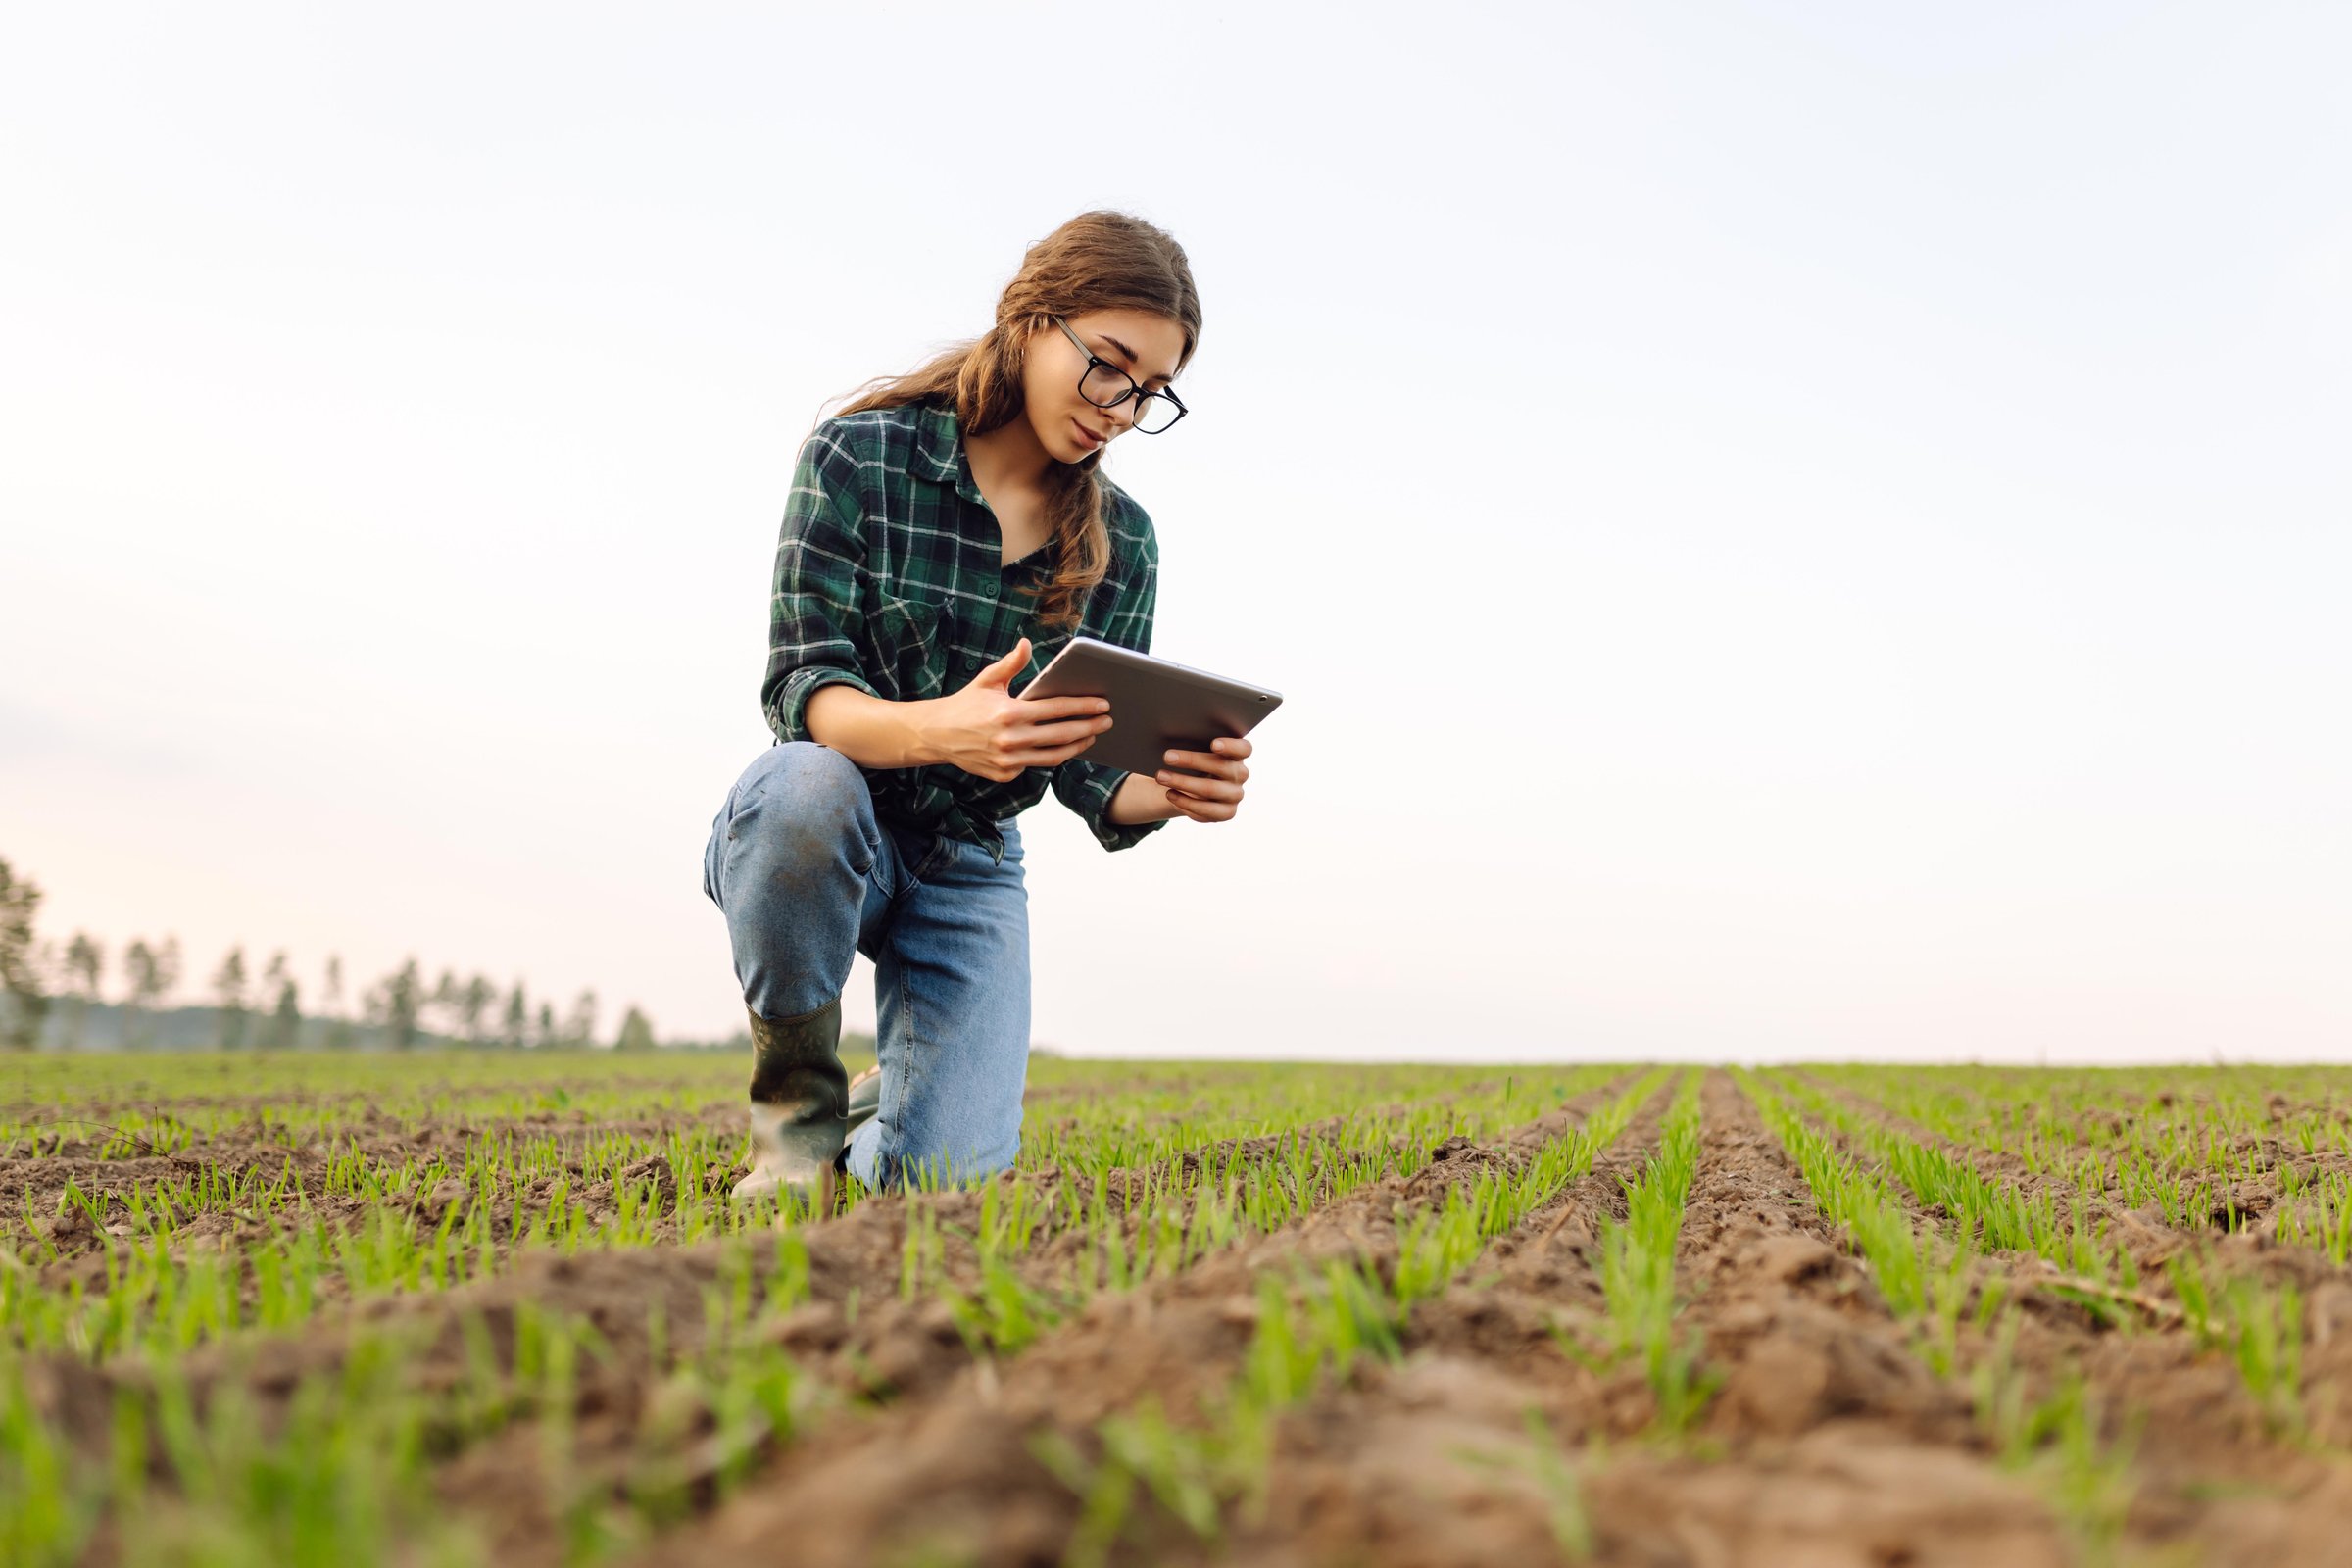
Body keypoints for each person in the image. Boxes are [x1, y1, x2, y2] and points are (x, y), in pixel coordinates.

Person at [701, 211, 1255, 1214]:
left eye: (1151, 392)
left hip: (971, 861)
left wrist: (1165, 791)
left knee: (941, 1191)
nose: (1121, 408)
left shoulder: (1123, 541)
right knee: (798, 789)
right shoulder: (858, 457)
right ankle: (796, 1120)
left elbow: (1092, 767)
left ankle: (882, 1118)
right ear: (1030, 319)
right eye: (1108, 365)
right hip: (834, 821)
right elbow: (803, 688)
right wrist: (943, 727)